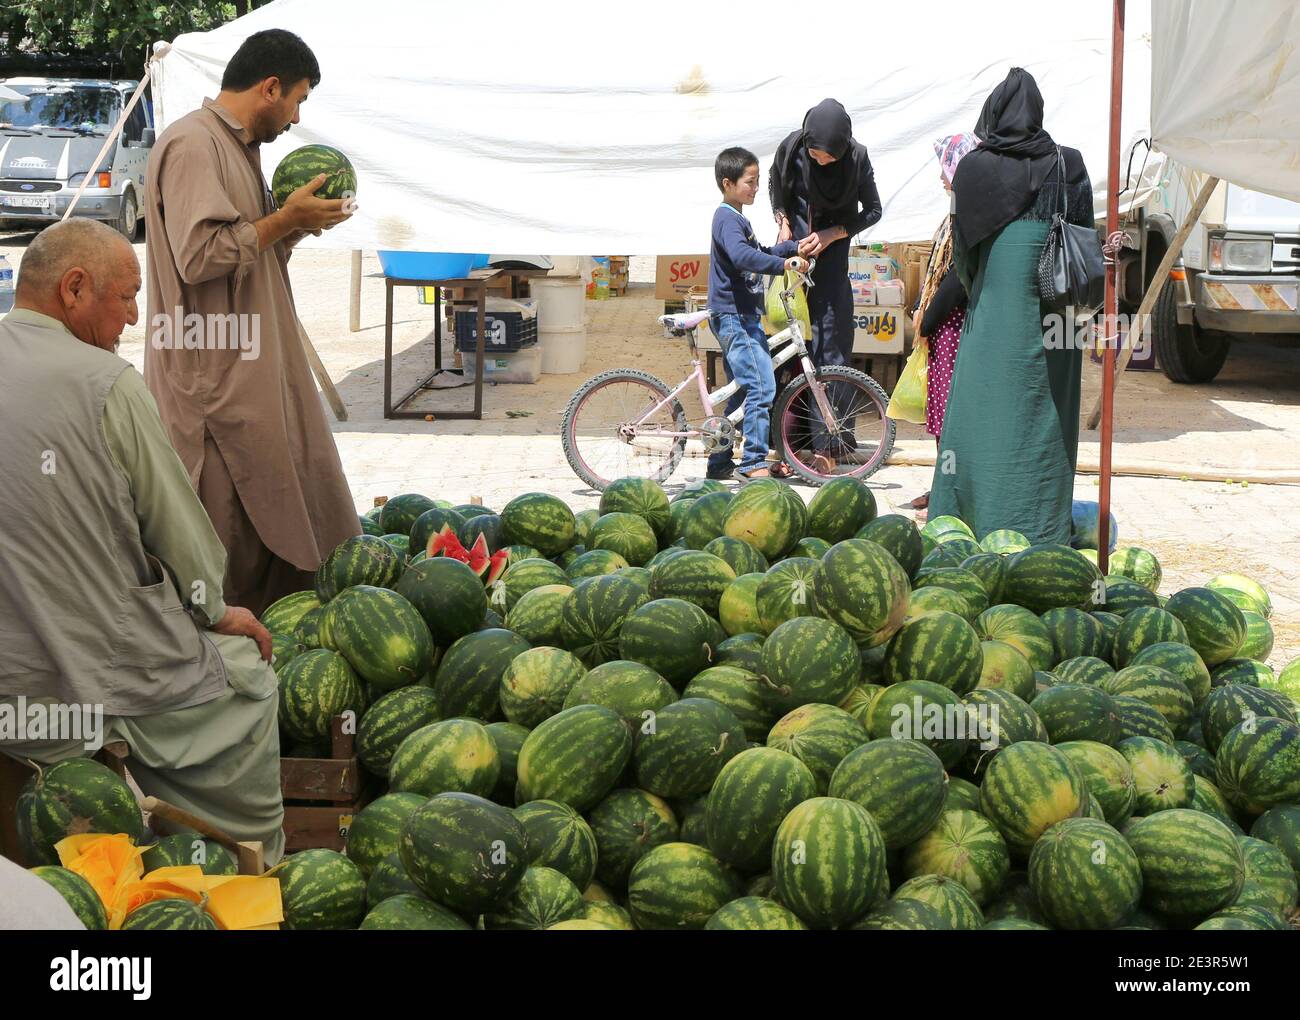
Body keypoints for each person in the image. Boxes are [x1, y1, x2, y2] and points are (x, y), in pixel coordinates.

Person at [0, 219, 286, 863]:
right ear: (74, 289)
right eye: (126, 296)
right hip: (69, 686)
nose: (133, 318)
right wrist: (216, 610)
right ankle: (249, 868)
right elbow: (179, 533)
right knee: (246, 681)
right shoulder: (108, 384)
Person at [144, 28, 358, 618]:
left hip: (254, 370)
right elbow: (200, 256)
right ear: (270, 88)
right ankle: (224, 685)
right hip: (215, 380)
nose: (295, 118)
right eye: (298, 100)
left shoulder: (239, 150)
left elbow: (250, 255)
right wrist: (283, 218)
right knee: (229, 545)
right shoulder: (192, 144)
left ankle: (275, 662)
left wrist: (293, 226)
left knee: (280, 526)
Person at [927, 68, 1094, 544]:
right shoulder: (1070, 163)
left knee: (982, 414)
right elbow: (1083, 236)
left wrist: (986, 288)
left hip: (997, 310)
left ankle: (970, 523)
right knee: (1043, 416)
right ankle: (1040, 529)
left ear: (994, 112)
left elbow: (963, 253)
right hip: (1056, 313)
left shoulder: (974, 169)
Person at [769, 99, 882, 474]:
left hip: (830, 264)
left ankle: (830, 445)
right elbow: (776, 185)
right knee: (789, 349)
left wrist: (833, 233)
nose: (820, 162)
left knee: (829, 348)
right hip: (792, 259)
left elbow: (873, 210)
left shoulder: (858, 159)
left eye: (828, 158)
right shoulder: (792, 147)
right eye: (815, 155)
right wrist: (784, 221)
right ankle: (785, 444)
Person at [706, 146, 807, 481]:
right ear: (727, 183)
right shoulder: (726, 218)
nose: (755, 187)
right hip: (733, 316)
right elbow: (741, 257)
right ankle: (752, 463)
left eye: (757, 181)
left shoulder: (737, 217)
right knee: (762, 386)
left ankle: (720, 462)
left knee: (742, 388)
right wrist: (782, 264)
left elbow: (755, 252)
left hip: (741, 315)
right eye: (750, 182)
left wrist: (790, 248)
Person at [902, 132, 978, 517]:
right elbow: (937, 268)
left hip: (952, 327)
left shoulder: (968, 214)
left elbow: (956, 279)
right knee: (940, 414)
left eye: (945, 168)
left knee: (949, 416)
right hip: (942, 328)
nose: (941, 177)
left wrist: (928, 320)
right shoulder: (955, 212)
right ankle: (941, 487)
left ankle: (949, 494)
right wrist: (920, 305)